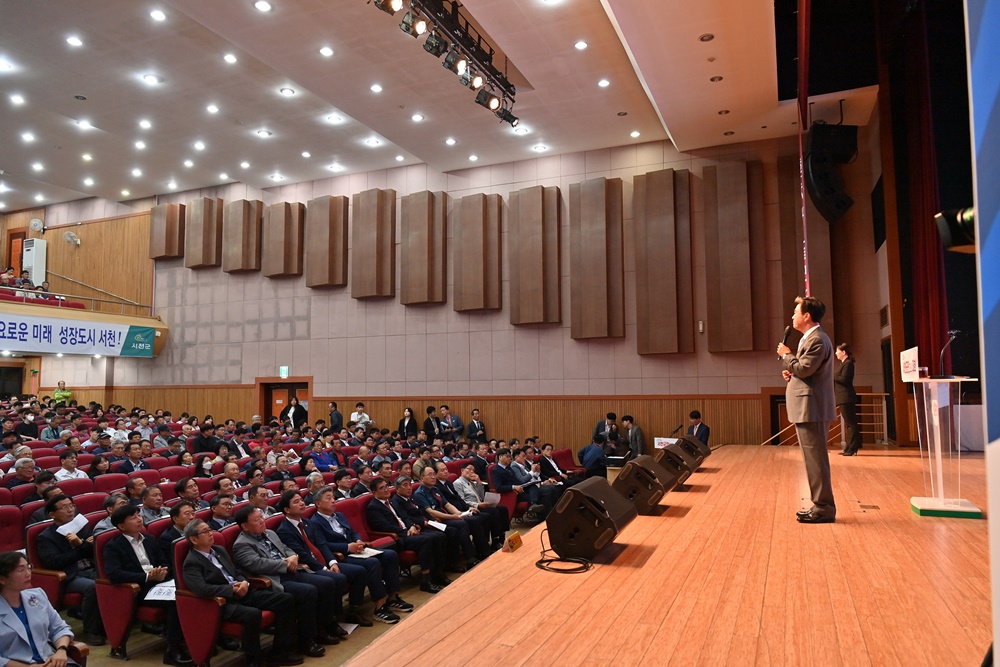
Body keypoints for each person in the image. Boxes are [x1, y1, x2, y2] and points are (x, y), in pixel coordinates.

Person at [181, 520, 305, 667]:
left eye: (210, 530)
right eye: (205, 532)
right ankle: (253, 660)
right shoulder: (192, 562)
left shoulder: (219, 550)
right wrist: (231, 589)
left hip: (243, 591)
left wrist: (244, 582)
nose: (210, 534)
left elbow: (236, 572)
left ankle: (280, 652)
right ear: (194, 539)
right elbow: (202, 589)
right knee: (252, 614)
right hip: (222, 602)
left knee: (286, 599)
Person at [103, 506, 192, 667]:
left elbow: (164, 561)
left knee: (189, 591)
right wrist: (146, 577)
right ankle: (172, 650)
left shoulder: (149, 539)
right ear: (121, 526)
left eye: (138, 515)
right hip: (138, 590)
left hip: (160, 583)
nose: (139, 519)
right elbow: (115, 574)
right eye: (133, 517)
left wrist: (163, 571)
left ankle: (194, 640)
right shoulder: (113, 546)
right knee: (176, 601)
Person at [777, 295, 837, 524]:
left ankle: (824, 508)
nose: (793, 315)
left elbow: (804, 369)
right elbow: (804, 371)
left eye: (796, 312)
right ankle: (819, 505)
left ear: (807, 316)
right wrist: (791, 373)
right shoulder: (810, 338)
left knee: (816, 460)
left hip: (812, 408)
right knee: (813, 460)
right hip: (809, 407)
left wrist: (786, 355)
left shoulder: (817, 339)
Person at [35, 495, 106, 644]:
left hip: (92, 566)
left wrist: (81, 544)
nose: (70, 510)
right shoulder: (46, 537)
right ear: (52, 514)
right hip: (69, 575)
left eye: (71, 506)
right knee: (92, 587)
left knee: (112, 577)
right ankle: (91, 631)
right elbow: (54, 562)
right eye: (64, 507)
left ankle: (111, 623)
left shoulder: (81, 526)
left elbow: (93, 549)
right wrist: (80, 547)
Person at [0, 551, 77, 667]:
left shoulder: (37, 596)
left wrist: (61, 650)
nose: (28, 574)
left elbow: (60, 628)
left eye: (28, 567)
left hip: (50, 661)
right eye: (20, 570)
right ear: (2, 579)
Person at [835, 343, 862, 456]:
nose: (836, 353)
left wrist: (832, 376)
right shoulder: (844, 363)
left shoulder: (848, 363)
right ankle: (849, 448)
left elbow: (845, 379)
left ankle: (853, 448)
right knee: (849, 424)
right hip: (843, 397)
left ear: (843, 352)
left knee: (851, 424)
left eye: (837, 351)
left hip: (847, 397)